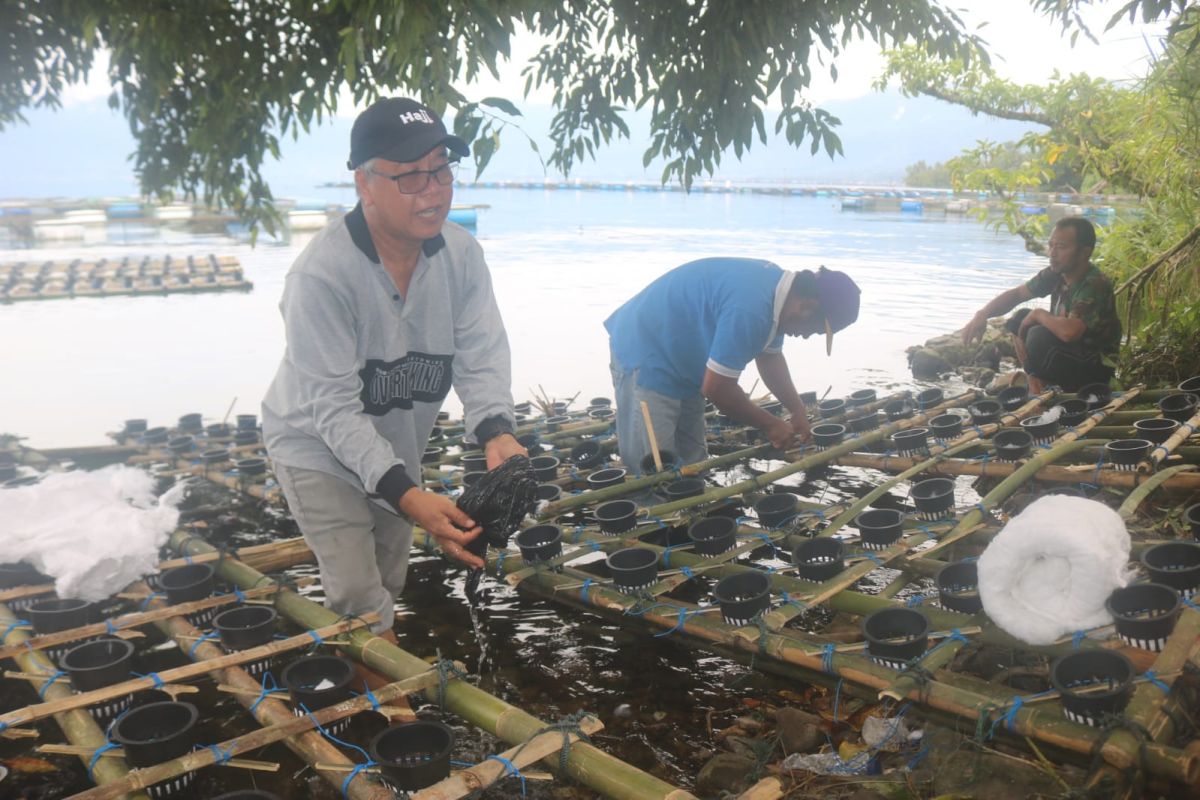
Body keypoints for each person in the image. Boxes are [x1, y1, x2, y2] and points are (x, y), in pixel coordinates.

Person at [262, 98, 525, 638]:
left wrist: (497, 431)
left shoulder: (462, 256)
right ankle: (391, 716)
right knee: (360, 596)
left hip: (397, 442)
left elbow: (481, 356)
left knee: (390, 577)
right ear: (365, 183)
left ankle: (377, 693)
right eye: (410, 177)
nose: (432, 191)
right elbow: (333, 410)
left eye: (441, 171)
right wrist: (410, 497)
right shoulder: (322, 277)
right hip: (315, 445)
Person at [604, 258, 861, 470]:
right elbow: (718, 390)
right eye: (813, 329)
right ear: (807, 305)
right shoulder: (752, 309)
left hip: (687, 364)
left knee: (693, 463)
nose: (805, 336)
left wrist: (797, 410)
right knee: (654, 467)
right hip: (646, 353)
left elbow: (770, 357)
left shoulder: (778, 297)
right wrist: (770, 424)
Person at [961, 217, 1121, 393]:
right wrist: (983, 313)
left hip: (1094, 367)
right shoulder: (1056, 273)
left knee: (1038, 334)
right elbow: (1017, 294)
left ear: (1085, 253)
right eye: (1051, 245)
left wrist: (1039, 314)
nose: (1052, 253)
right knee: (1019, 319)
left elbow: (1070, 333)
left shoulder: (1094, 284)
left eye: (1061, 247)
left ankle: (1053, 390)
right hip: (1069, 355)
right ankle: (1036, 386)